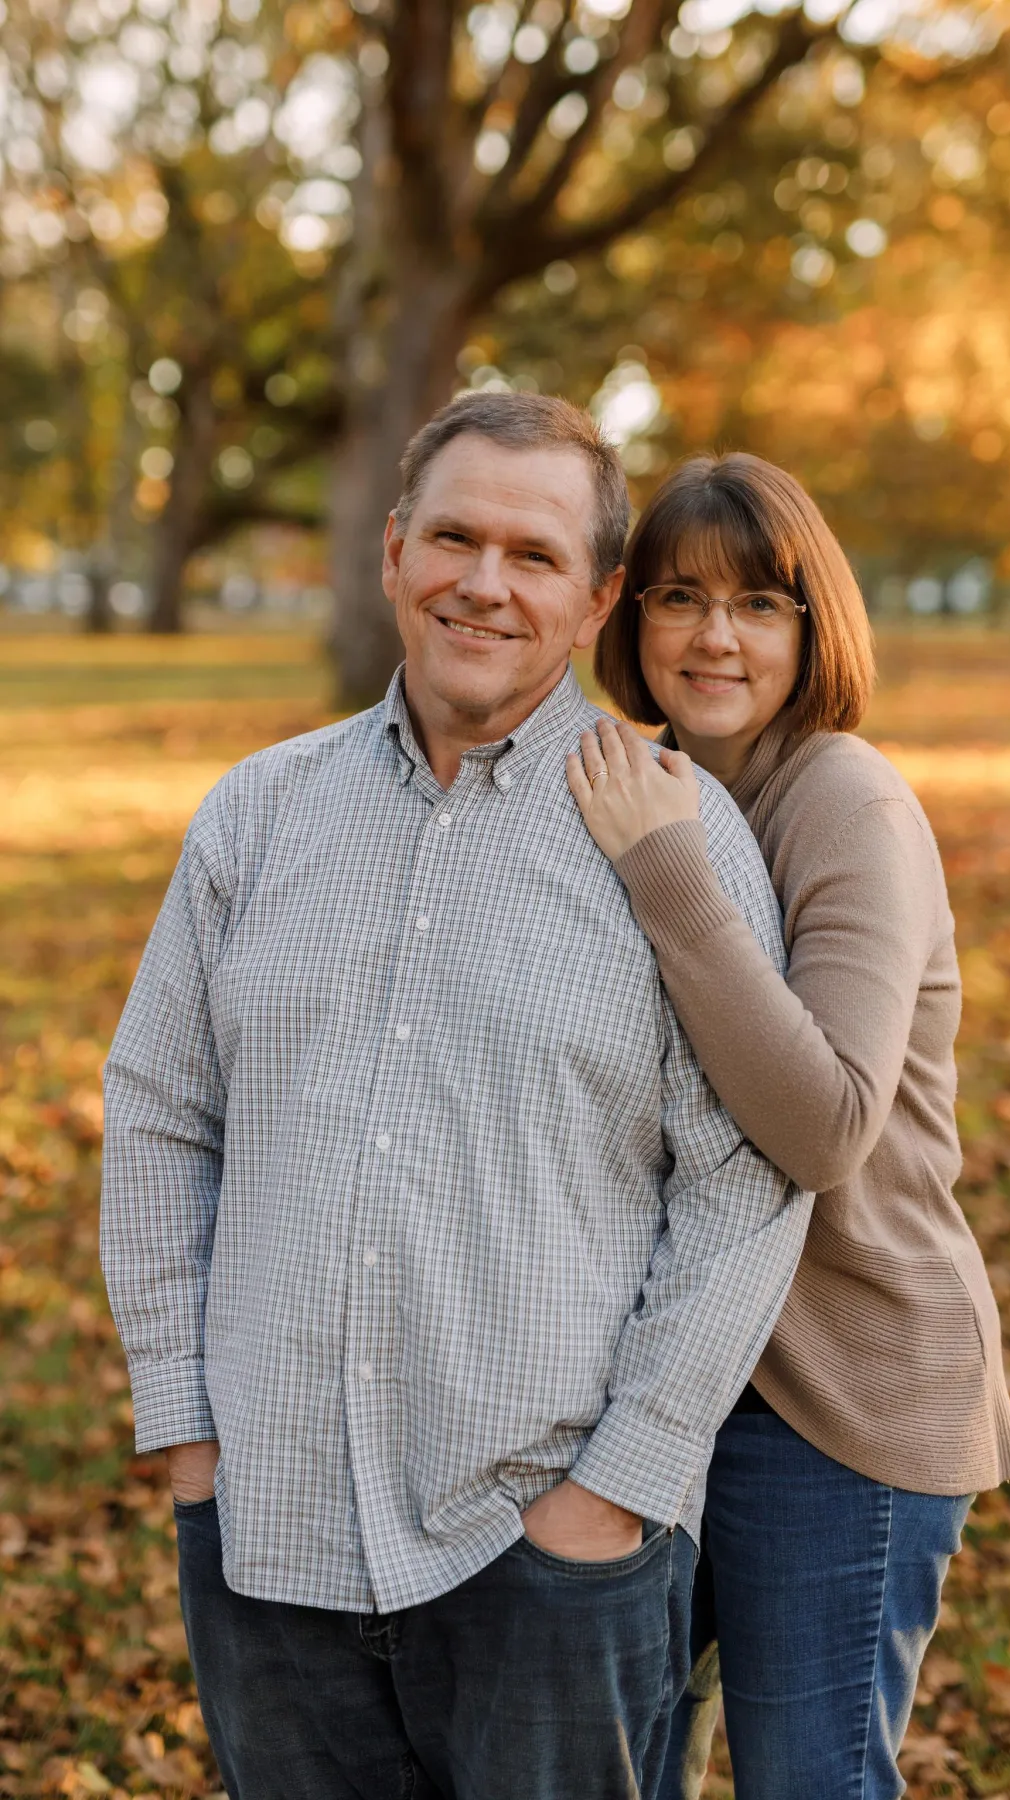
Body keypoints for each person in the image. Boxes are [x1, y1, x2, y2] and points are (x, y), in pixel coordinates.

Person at [100, 398, 813, 1800]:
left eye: (535, 557)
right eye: (456, 537)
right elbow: (158, 1112)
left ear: (597, 596)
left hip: (543, 1545)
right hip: (269, 1523)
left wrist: (616, 1491)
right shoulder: (257, 812)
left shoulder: (675, 832)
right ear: (392, 552)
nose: (485, 583)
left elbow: (745, 1181)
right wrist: (188, 1432)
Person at [567, 452, 1010, 1800]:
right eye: (679, 596)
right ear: (626, 618)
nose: (716, 636)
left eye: (761, 604)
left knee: (807, 1782)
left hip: (842, 1392)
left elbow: (827, 1125)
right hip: (678, 1377)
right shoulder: (638, 781)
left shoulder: (844, 800)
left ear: (814, 627)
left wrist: (667, 878)